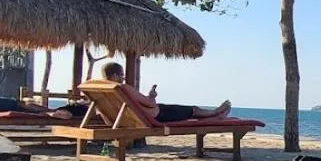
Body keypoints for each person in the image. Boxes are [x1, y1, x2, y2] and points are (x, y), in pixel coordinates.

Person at [99, 62, 231, 122]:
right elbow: (149, 104)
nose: (123, 77)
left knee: (190, 115)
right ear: (115, 76)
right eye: (122, 75)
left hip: (137, 117)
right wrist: (152, 96)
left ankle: (216, 116)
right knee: (194, 110)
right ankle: (216, 112)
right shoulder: (123, 88)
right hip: (159, 115)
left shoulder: (103, 90)